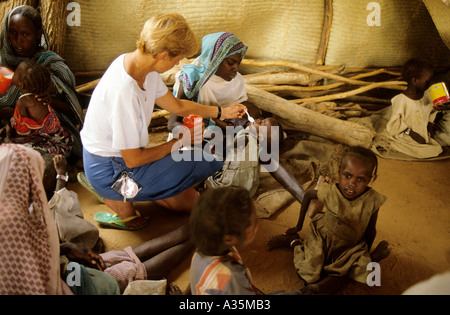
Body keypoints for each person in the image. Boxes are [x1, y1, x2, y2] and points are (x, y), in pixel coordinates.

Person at [80, 14, 247, 230]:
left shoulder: (141, 67)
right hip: (111, 168)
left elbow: (177, 106)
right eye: (177, 59)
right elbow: (133, 159)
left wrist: (221, 111)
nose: (178, 63)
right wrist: (177, 142)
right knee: (200, 161)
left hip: (122, 158)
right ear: (162, 55)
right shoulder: (124, 93)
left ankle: (128, 198)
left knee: (184, 199)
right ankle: (110, 192)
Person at [0, 143, 195, 295]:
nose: (37, 189)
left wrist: (69, 250)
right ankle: (197, 235)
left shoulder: (14, 216)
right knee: (129, 270)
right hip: (79, 288)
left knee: (122, 256)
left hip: (70, 272)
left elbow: (41, 253)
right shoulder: (10, 226)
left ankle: (195, 228)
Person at [169, 31, 305, 203]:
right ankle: (203, 190)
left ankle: (303, 197)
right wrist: (204, 138)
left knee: (251, 150)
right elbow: (173, 124)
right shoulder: (191, 80)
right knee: (216, 152)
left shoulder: (236, 81)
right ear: (214, 58)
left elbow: (236, 118)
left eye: (238, 63)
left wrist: (233, 130)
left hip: (220, 134)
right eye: (230, 62)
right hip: (188, 139)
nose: (235, 68)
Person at [266, 146, 391, 294]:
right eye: (347, 176)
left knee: (361, 271)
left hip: (350, 247)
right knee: (308, 272)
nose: (352, 183)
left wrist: (366, 255)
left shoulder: (372, 200)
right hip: (323, 238)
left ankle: (320, 286)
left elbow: (371, 230)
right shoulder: (331, 191)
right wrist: (298, 226)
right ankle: (294, 242)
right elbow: (308, 196)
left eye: (361, 179)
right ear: (339, 172)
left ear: (371, 179)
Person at [0, 5, 83, 196]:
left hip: (50, 138)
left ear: (38, 34)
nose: (18, 41)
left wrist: (49, 101)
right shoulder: (2, 63)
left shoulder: (52, 65)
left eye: (25, 34)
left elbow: (74, 112)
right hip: (12, 134)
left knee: (35, 172)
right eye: (12, 33)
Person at [189, 186, 302, 295]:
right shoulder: (233, 276)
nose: (257, 228)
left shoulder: (202, 252)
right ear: (229, 238)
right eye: (253, 225)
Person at [384, 58, 442, 158]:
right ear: (415, 81)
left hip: (423, 132)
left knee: (436, 148)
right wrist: (411, 133)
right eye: (427, 81)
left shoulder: (427, 96)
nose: (430, 84)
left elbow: (431, 112)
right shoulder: (401, 100)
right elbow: (393, 125)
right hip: (406, 133)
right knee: (427, 151)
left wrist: (429, 126)